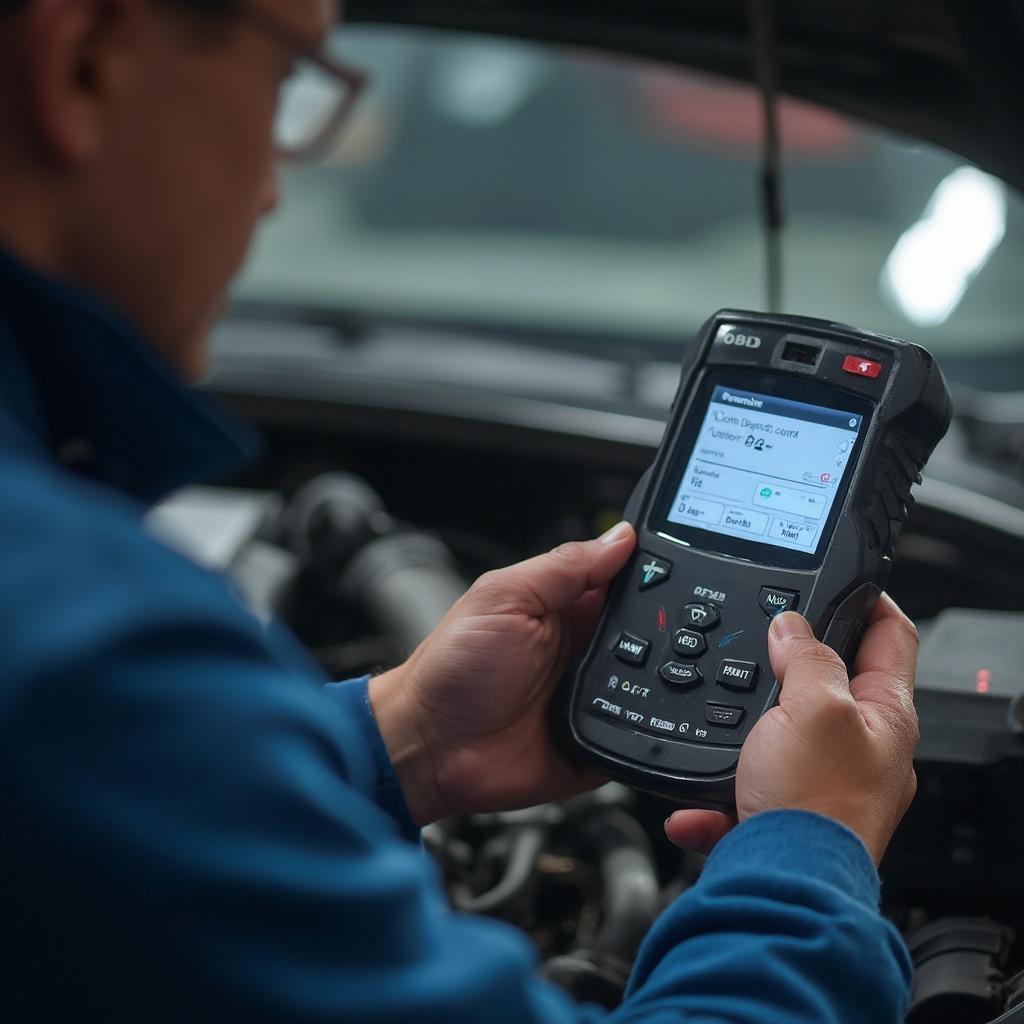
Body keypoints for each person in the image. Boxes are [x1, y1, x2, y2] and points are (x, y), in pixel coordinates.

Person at [0, 1, 921, 1021]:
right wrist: (808, 848)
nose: (272, 188)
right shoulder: (76, 647)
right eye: (286, 84)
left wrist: (403, 739)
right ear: (80, 63)